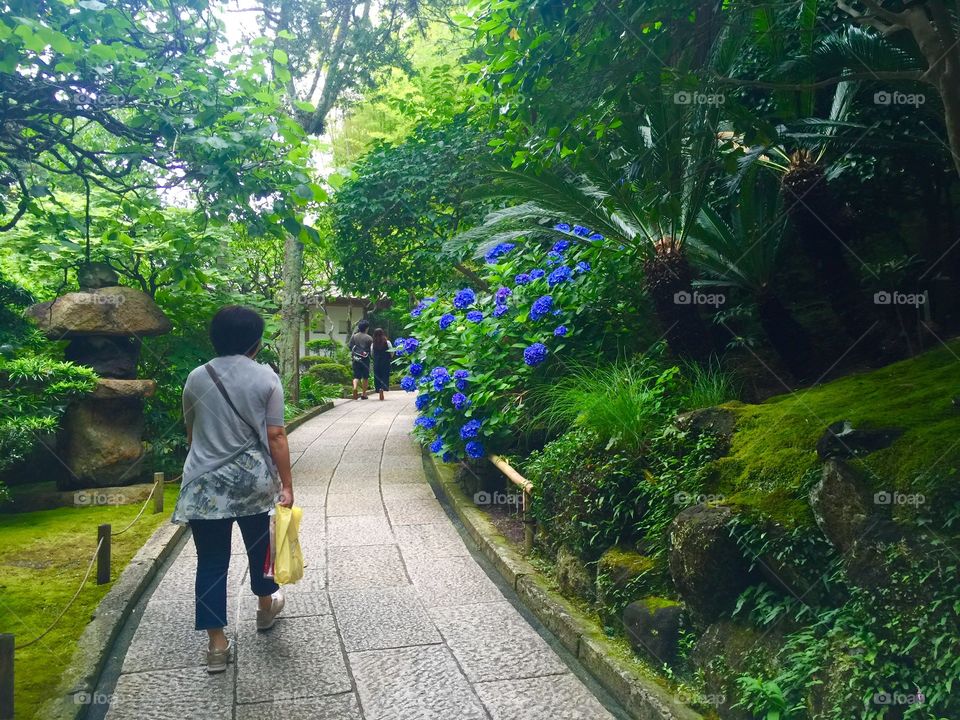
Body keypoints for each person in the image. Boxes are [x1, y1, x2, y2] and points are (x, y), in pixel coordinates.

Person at [171, 305, 294, 674]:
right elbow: (276, 435)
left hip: (204, 485)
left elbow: (191, 433)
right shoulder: (266, 377)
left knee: (211, 561)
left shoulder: (196, 377)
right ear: (256, 342)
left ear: (216, 338)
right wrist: (287, 485)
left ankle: (216, 645)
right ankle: (265, 608)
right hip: (252, 483)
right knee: (261, 550)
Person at [348, 319, 374, 400]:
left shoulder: (354, 336)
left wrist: (354, 353)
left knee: (356, 376)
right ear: (366, 328)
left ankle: (355, 388)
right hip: (365, 359)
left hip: (355, 358)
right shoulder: (369, 338)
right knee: (365, 377)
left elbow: (350, 346)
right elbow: (371, 350)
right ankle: (364, 394)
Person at [371, 327, 394, 401]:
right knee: (385, 376)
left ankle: (378, 389)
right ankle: (382, 389)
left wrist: (375, 358)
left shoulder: (373, 344)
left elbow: (372, 353)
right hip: (385, 362)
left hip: (377, 362)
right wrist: (389, 357)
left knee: (377, 376)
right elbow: (391, 351)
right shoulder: (387, 342)